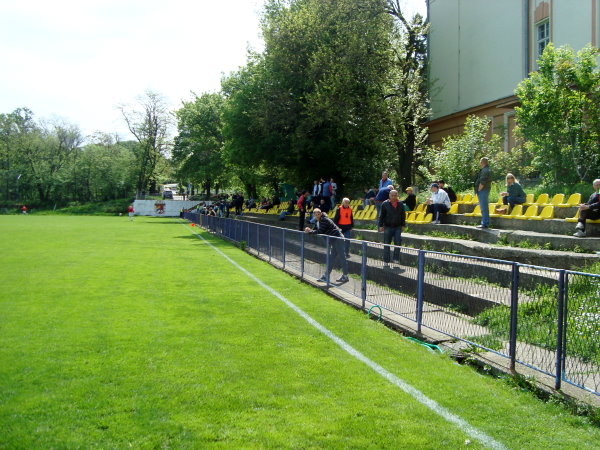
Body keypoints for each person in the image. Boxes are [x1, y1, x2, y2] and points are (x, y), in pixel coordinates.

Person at [304, 208, 349, 283]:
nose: (317, 216)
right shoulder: (318, 221)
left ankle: (345, 276)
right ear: (314, 215)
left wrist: (310, 231)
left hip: (338, 239)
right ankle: (326, 276)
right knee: (331, 258)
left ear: (320, 213)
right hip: (333, 240)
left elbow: (320, 231)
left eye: (318, 214)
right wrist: (308, 230)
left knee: (342, 257)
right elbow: (315, 229)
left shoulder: (324, 220)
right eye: (315, 215)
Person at [378, 189, 406, 268]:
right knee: (386, 243)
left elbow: (403, 215)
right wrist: (380, 225)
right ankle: (386, 260)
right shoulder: (385, 204)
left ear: (397, 196)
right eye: (392, 195)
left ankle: (396, 259)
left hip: (398, 227)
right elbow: (381, 216)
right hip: (387, 227)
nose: (393, 197)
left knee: (398, 243)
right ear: (389, 195)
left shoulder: (401, 204)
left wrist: (403, 225)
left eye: (395, 195)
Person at [474, 157, 492, 229]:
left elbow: (482, 182)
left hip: (483, 190)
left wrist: (478, 190)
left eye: (480, 162)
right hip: (484, 190)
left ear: (482, 162)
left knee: (484, 207)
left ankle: (485, 223)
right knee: (483, 207)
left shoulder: (485, 171)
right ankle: (484, 223)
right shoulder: (486, 169)